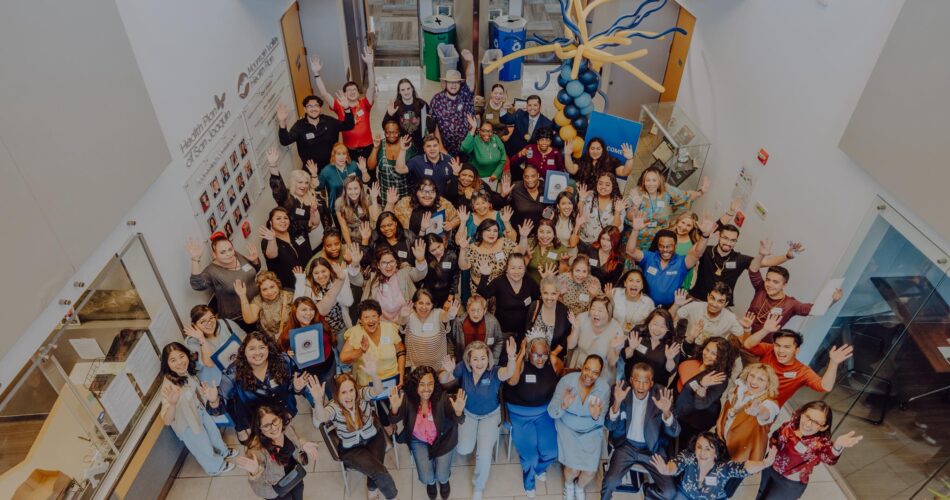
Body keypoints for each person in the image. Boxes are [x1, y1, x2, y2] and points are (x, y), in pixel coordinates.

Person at [438, 338, 518, 500]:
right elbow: (443, 380)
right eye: (475, 359)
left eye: (483, 358)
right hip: (469, 413)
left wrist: (511, 358)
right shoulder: (463, 369)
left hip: (490, 416)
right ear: (469, 360)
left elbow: (509, 373)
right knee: (463, 449)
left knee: (484, 453)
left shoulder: (494, 371)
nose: (479, 363)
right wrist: (448, 372)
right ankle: (474, 440)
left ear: (488, 358)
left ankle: (478, 487)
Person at [311, 359, 400, 500]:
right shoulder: (334, 407)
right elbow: (322, 417)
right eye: (344, 392)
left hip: (374, 438)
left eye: (351, 390)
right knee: (379, 471)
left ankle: (372, 488)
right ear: (337, 395)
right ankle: (393, 497)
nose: (349, 396)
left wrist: (374, 375)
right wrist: (317, 401)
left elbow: (378, 390)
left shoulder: (361, 395)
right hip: (351, 449)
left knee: (376, 468)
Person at [600, 362, 679, 500]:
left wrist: (666, 412)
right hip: (626, 446)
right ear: (631, 380)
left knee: (669, 492)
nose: (641, 386)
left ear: (651, 383)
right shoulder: (621, 391)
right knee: (610, 482)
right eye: (637, 381)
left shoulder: (661, 395)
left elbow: (675, 432)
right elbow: (609, 426)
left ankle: (647, 490)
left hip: (652, 449)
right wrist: (617, 403)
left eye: (645, 382)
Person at [757, 401, 863, 500]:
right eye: (807, 417)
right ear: (802, 413)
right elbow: (776, 436)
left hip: (789, 483)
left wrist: (837, 446)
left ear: (823, 427)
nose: (808, 424)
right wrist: (770, 452)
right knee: (761, 493)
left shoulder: (819, 444)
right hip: (769, 467)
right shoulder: (792, 424)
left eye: (816, 422)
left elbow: (829, 458)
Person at [389, 366, 467, 500]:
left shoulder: (442, 396)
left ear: (435, 384)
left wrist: (459, 411)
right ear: (415, 385)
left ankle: (444, 482)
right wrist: (395, 408)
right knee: (426, 478)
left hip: (443, 439)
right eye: (422, 384)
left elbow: (458, 419)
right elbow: (395, 419)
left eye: (430, 384)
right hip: (418, 440)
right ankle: (431, 483)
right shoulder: (407, 398)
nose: (426, 389)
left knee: (442, 475)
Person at [159, 342, 236, 475]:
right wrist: (172, 404)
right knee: (203, 447)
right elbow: (166, 421)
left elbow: (193, 392)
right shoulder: (168, 387)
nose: (179, 362)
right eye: (173, 360)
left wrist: (205, 393)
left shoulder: (185, 373)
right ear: (167, 364)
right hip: (187, 425)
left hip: (199, 412)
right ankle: (216, 467)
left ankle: (222, 451)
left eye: (181, 356)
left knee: (213, 433)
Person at [219, 332, 312, 441]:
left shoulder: (283, 361)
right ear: (244, 351)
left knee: (286, 440)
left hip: (283, 413)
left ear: (268, 348)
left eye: (262, 347)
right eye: (252, 348)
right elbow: (221, 406)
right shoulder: (233, 373)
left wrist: (297, 387)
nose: (257, 352)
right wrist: (213, 402)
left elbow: (294, 387)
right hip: (256, 422)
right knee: (265, 447)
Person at [504, 337, 563, 497]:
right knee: (530, 456)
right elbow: (511, 381)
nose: (540, 359)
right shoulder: (521, 363)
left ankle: (539, 470)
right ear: (529, 353)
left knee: (552, 451)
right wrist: (521, 353)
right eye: (536, 354)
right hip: (519, 413)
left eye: (544, 354)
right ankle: (529, 479)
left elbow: (562, 376)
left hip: (544, 412)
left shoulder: (552, 361)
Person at [745, 239, 842, 335]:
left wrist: (833, 300)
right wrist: (761, 254)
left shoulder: (790, 304)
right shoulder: (761, 289)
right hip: (742, 334)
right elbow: (753, 270)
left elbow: (815, 309)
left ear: (784, 285)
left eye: (775, 282)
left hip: (764, 346)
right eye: (768, 280)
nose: (769, 284)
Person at [548, 354, 611, 500]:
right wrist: (563, 405)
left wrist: (596, 416)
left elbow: (601, 421)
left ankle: (579, 487)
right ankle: (569, 486)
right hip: (567, 427)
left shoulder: (604, 388)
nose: (589, 375)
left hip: (591, 430)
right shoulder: (566, 381)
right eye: (587, 369)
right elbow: (552, 412)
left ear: (600, 373)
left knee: (589, 471)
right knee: (573, 469)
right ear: (582, 367)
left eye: (595, 372)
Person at [743, 324, 853, 406]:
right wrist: (765, 330)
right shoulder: (769, 350)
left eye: (787, 347)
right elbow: (748, 345)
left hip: (766, 410)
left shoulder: (802, 371)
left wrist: (833, 363)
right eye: (778, 345)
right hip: (745, 396)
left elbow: (825, 386)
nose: (781, 351)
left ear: (797, 350)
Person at [716, 362, 781, 496]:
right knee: (715, 474)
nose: (754, 381)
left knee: (726, 486)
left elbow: (767, 413)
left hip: (741, 453)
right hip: (722, 441)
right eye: (752, 376)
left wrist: (758, 411)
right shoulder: (739, 388)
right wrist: (719, 423)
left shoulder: (769, 403)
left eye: (761, 379)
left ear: (768, 385)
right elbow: (727, 408)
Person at [650, 432, 777, 500]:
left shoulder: (723, 467)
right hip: (685, 494)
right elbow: (676, 464)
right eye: (699, 447)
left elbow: (745, 467)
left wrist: (765, 463)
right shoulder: (689, 456)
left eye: (708, 449)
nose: (702, 452)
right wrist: (667, 469)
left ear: (716, 453)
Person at [625, 213, 714, 307]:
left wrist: (705, 235)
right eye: (661, 246)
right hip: (644, 305)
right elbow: (630, 251)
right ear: (657, 246)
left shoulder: (681, 262)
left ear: (675, 246)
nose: (665, 249)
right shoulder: (649, 257)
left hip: (669, 308)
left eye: (669, 246)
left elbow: (697, 254)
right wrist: (635, 230)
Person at [237, 405, 320, 500]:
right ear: (260, 429)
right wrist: (255, 473)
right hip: (276, 490)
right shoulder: (256, 452)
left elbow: (295, 439)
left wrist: (303, 444)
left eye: (274, 421)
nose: (274, 428)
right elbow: (260, 491)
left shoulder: (286, 428)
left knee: (298, 495)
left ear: (280, 418)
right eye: (266, 426)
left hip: (295, 475)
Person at [311, 49, 376, 162]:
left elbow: (371, 87)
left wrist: (370, 65)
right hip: (349, 150)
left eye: (354, 89)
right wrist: (316, 74)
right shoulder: (339, 106)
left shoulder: (365, 104)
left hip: (368, 147)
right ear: (344, 94)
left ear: (358, 92)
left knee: (370, 175)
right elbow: (324, 94)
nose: (352, 92)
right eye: (349, 90)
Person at [473, 252, 540, 361]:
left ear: (524, 268)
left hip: (525, 332)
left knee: (522, 361)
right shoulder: (500, 282)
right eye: (513, 268)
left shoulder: (530, 282)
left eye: (520, 268)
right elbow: (483, 294)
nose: (517, 271)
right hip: (503, 332)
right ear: (507, 268)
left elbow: (538, 301)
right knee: (504, 360)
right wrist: (484, 275)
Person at [626, 166, 708, 250]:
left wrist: (700, 192)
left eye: (654, 180)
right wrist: (636, 205)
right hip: (637, 241)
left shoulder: (667, 191)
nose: (651, 184)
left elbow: (684, 196)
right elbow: (629, 216)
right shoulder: (636, 193)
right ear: (643, 181)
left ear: (659, 181)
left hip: (659, 242)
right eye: (648, 180)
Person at [674, 336, 735, 449]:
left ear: (721, 357)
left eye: (714, 354)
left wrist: (703, 385)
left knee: (683, 447)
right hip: (681, 409)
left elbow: (700, 404)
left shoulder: (720, 378)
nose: (707, 355)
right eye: (707, 350)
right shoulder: (699, 358)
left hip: (694, 420)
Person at [187, 232, 261, 325]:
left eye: (230, 249)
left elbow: (254, 271)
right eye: (223, 252)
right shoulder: (212, 271)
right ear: (214, 254)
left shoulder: (236, 255)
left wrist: (254, 261)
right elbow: (197, 285)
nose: (228, 254)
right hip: (238, 319)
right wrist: (195, 259)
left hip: (257, 306)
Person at [265, 148, 330, 245]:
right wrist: (273, 166)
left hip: (323, 239)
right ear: (293, 183)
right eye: (300, 182)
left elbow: (325, 214)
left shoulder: (313, 194)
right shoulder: (287, 199)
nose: (304, 186)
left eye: (306, 183)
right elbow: (278, 187)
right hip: (305, 243)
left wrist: (328, 233)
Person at [349, 242, 428, 321]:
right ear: (378, 265)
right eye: (384, 263)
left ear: (396, 263)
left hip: (405, 321)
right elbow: (356, 281)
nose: (389, 266)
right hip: (379, 324)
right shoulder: (372, 277)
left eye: (392, 261)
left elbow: (419, 275)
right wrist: (355, 264)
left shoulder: (404, 272)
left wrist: (420, 260)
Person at [277, 297, 337, 395]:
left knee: (331, 390)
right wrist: (288, 353)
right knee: (315, 395)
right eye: (304, 310)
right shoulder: (289, 332)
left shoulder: (319, 321)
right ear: (295, 311)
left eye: (311, 309)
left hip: (328, 366)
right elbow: (281, 351)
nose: (309, 313)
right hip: (308, 371)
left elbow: (330, 338)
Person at [341, 299, 406, 389]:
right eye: (366, 317)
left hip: (392, 381)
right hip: (367, 385)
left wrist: (401, 377)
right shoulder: (355, 333)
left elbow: (401, 350)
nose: (371, 320)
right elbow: (343, 358)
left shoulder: (389, 328)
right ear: (360, 320)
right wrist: (361, 351)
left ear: (379, 317)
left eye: (374, 316)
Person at [293, 258, 353, 355]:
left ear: (329, 270)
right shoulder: (309, 288)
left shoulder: (336, 282)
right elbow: (297, 306)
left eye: (324, 271)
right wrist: (300, 281)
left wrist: (344, 278)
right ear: (312, 274)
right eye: (316, 273)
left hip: (340, 328)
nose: (321, 276)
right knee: (331, 357)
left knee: (344, 356)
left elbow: (348, 302)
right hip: (321, 333)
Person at [276, 95, 354, 169]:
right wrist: (282, 121)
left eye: (316, 105)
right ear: (305, 109)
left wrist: (347, 109)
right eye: (310, 106)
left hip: (332, 166)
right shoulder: (299, 126)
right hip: (311, 169)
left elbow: (349, 125)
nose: (313, 109)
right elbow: (285, 141)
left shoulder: (329, 121)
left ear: (320, 108)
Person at [457, 217, 529, 296]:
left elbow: (520, 252)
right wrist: (463, 249)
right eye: (488, 230)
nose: (492, 233)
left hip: (502, 291)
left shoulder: (504, 243)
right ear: (481, 232)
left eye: (495, 231)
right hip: (479, 292)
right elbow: (463, 267)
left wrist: (523, 237)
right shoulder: (473, 248)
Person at [671, 285, 744, 358]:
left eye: (720, 301)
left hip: (712, 353)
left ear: (726, 303)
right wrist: (676, 305)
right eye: (712, 298)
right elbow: (668, 321)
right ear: (708, 296)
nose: (714, 304)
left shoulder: (731, 318)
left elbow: (742, 342)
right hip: (690, 343)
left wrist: (747, 329)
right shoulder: (695, 306)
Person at [182, 304, 247, 384]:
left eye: (211, 318)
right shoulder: (191, 342)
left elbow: (246, 340)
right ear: (194, 325)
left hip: (241, 372)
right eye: (203, 322)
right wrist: (202, 339)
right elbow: (209, 363)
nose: (209, 323)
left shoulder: (225, 323)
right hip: (218, 384)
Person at [568, 294, 625, 382]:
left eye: (600, 310)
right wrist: (575, 329)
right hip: (579, 366)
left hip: (600, 373)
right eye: (593, 308)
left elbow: (611, 363)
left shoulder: (616, 330)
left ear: (609, 312)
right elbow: (571, 346)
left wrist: (612, 347)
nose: (595, 313)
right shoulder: (582, 318)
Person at [428, 56, 476, 157]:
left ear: (460, 83)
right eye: (450, 82)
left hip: (466, 147)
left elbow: (471, 76)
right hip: (444, 150)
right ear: (445, 83)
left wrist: (471, 61)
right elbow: (433, 126)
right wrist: (440, 148)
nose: (453, 85)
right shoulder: (437, 100)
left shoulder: (465, 94)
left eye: (456, 82)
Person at [621, 308, 681, 386]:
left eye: (663, 326)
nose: (657, 330)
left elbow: (671, 370)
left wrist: (669, 359)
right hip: (632, 380)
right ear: (648, 322)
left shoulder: (672, 343)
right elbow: (625, 356)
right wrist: (631, 348)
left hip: (655, 386)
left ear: (668, 328)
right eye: (655, 324)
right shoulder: (638, 332)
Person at [403, 290, 460, 370]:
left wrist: (449, 316)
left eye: (428, 304)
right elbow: (401, 321)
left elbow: (445, 317)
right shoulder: (409, 314)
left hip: (439, 369)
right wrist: (403, 316)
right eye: (420, 303)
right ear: (415, 304)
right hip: (415, 370)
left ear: (432, 305)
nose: (424, 307)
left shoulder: (438, 313)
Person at [499, 95, 554, 178]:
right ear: (526, 106)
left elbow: (546, 144)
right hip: (515, 154)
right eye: (530, 105)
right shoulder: (519, 114)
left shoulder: (547, 123)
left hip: (533, 158)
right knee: (515, 179)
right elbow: (505, 119)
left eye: (535, 105)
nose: (532, 108)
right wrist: (503, 108)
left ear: (540, 106)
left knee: (531, 181)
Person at [259, 207, 313, 291]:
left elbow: (314, 223)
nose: (283, 221)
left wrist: (314, 211)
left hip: (312, 276)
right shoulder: (267, 241)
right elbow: (271, 255)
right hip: (291, 286)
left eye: (285, 218)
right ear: (271, 222)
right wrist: (272, 239)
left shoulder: (295, 230)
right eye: (278, 218)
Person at [369, 119, 415, 206]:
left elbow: (415, 170)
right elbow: (370, 167)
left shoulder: (407, 144)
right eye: (388, 132)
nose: (391, 135)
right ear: (384, 132)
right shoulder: (380, 144)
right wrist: (375, 148)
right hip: (386, 194)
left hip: (406, 194)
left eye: (395, 132)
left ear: (399, 132)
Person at [392, 178, 461, 236]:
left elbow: (458, 217)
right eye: (423, 191)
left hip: (436, 248)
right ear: (416, 192)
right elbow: (388, 219)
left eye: (432, 191)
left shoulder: (444, 204)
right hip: (408, 244)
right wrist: (390, 203)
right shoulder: (405, 203)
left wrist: (451, 224)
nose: (427, 195)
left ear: (436, 193)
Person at [235, 272, 293, 341]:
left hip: (291, 338)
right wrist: (242, 296)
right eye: (264, 289)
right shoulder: (258, 300)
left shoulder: (288, 296)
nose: (270, 292)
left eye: (272, 287)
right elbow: (249, 319)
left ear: (278, 285)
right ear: (260, 291)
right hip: (272, 343)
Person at [524, 275, 573, 354]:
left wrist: (553, 355)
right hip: (531, 354)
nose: (549, 297)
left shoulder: (564, 312)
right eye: (546, 293)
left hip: (553, 356)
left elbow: (564, 340)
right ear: (541, 292)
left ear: (558, 293)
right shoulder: (535, 306)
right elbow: (527, 331)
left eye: (553, 293)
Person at [576, 175, 627, 250]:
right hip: (582, 240)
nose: (603, 187)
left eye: (607, 185)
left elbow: (615, 229)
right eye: (600, 184)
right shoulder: (590, 195)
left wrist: (617, 212)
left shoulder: (618, 202)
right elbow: (580, 215)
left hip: (601, 246)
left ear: (613, 186)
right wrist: (581, 200)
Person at [318, 143, 371, 213]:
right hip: (337, 209)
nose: (341, 157)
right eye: (338, 154)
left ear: (347, 156)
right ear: (333, 156)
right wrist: (314, 176)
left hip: (356, 205)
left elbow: (367, 181)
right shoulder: (326, 171)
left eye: (344, 154)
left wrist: (364, 170)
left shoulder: (354, 165)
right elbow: (318, 187)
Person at [449, 294, 504, 361]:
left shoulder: (492, 322)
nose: (476, 314)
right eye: (472, 310)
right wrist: (452, 359)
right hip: (463, 363)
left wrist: (494, 360)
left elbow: (499, 341)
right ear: (468, 309)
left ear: (484, 310)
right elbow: (450, 341)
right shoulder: (458, 322)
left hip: (484, 364)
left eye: (479, 310)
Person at [564, 137, 634, 188]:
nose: (595, 151)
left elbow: (624, 173)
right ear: (588, 150)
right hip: (583, 195)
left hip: (601, 197)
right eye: (592, 148)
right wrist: (567, 155)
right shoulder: (583, 159)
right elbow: (572, 170)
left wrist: (629, 159)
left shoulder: (611, 161)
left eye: (598, 149)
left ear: (603, 150)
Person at [382, 78, 428, 151]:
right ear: (399, 92)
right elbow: (384, 126)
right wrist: (389, 115)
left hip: (420, 144)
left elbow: (430, 124)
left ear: (412, 89)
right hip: (402, 144)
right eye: (403, 90)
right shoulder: (395, 106)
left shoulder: (422, 104)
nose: (406, 92)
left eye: (408, 88)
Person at [460, 114, 506, 185]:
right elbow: (464, 149)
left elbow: (503, 157)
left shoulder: (495, 138)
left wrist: (496, 173)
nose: (487, 134)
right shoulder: (475, 139)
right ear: (479, 130)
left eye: (490, 131)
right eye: (484, 131)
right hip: (479, 178)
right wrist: (473, 128)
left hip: (495, 178)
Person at [336, 177, 383, 246]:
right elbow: (344, 227)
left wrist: (374, 199)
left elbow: (375, 218)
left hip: (368, 235)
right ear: (345, 190)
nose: (353, 192)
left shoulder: (367, 198)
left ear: (361, 188)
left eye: (356, 188)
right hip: (351, 238)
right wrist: (350, 246)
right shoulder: (340, 203)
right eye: (349, 189)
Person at [502, 164, 547, 230]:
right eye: (526, 176)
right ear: (523, 177)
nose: (530, 179)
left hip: (541, 234)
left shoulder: (545, 187)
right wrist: (503, 195)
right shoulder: (515, 188)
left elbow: (553, 205)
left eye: (533, 176)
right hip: (520, 232)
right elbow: (500, 205)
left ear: (538, 175)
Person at [526, 218, 571, 284]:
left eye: (549, 232)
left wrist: (563, 264)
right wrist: (526, 257)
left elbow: (564, 276)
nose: (545, 236)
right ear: (537, 233)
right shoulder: (529, 243)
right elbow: (518, 267)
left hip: (550, 287)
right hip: (528, 286)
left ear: (554, 234)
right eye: (541, 232)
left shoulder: (561, 249)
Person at [421, 233, 459, 307]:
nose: (438, 251)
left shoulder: (451, 256)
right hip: (429, 294)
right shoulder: (425, 259)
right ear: (428, 251)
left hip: (447, 294)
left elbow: (455, 278)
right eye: (433, 250)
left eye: (439, 246)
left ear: (443, 242)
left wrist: (449, 300)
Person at [669, 212, 700, 289]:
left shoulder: (694, 241)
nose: (683, 227)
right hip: (665, 276)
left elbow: (695, 263)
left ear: (693, 228)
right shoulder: (666, 235)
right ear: (678, 221)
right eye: (683, 222)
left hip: (683, 279)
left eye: (688, 225)